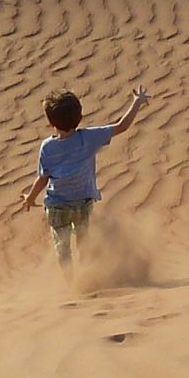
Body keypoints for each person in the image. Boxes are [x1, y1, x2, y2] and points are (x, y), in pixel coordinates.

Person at [15, 85, 151, 265]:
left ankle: (72, 283)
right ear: (80, 117)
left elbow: (43, 178)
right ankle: (86, 276)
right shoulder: (88, 138)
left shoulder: (47, 147)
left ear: (51, 123)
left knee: (62, 248)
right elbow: (121, 126)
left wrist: (30, 198)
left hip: (57, 206)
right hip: (82, 204)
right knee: (83, 242)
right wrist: (137, 102)